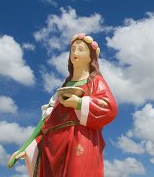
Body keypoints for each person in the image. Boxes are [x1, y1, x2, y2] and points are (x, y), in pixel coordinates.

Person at [8, 33, 117, 177]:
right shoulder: (61, 89)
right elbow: (46, 120)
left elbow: (109, 107)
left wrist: (78, 103)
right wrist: (27, 146)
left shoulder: (95, 82)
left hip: (80, 137)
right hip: (52, 145)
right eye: (72, 49)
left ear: (91, 57)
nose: (75, 53)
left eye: (80, 49)